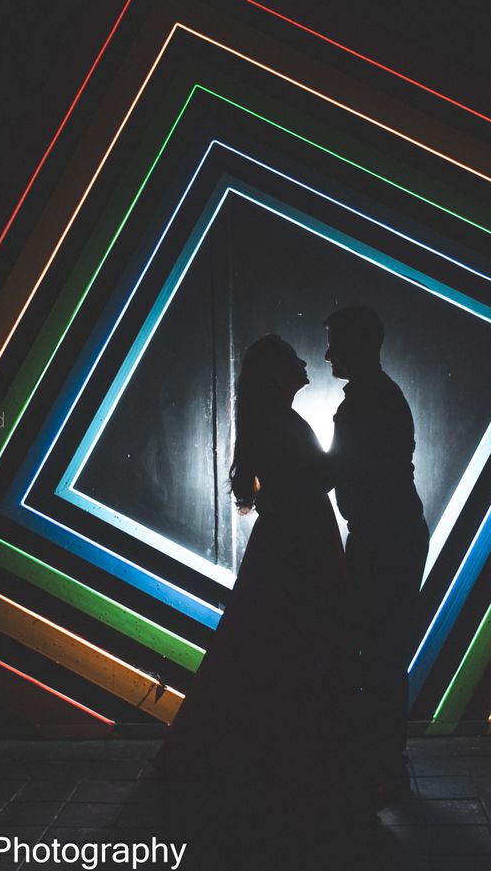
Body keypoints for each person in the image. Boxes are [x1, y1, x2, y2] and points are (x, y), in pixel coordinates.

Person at [156, 334, 369, 864]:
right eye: (295, 359)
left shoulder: (268, 420)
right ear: (278, 373)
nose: (306, 363)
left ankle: (257, 759)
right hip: (300, 545)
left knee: (264, 645)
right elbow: (316, 476)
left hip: (287, 541)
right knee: (297, 645)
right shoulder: (282, 422)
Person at [324, 306, 429, 805]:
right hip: (390, 533)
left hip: (383, 537)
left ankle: (384, 763)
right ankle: (383, 760)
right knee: (381, 650)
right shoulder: (378, 397)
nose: (327, 355)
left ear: (358, 346)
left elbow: (347, 470)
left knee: (379, 651)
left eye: (335, 345)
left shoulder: (368, 401)